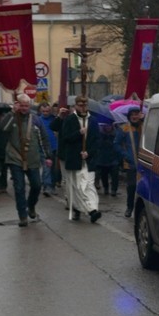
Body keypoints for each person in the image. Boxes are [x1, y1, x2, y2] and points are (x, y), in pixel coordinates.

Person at [1, 94, 53, 227]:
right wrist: (12, 113)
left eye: (26, 105)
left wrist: (48, 156)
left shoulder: (35, 119)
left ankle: (31, 205)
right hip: (15, 157)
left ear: (29, 106)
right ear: (17, 104)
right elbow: (4, 129)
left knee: (36, 185)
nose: (24, 108)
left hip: (32, 158)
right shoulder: (11, 117)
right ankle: (22, 216)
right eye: (22, 105)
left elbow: (44, 138)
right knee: (19, 188)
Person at [61, 95, 102, 223]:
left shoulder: (93, 120)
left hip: (89, 160)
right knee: (78, 186)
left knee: (89, 185)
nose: (83, 108)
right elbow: (65, 138)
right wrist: (79, 133)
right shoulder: (70, 120)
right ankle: (80, 209)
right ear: (75, 106)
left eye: (85, 105)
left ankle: (93, 210)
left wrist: (88, 153)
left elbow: (97, 140)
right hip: (75, 159)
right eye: (80, 105)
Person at [114, 107, 143, 218]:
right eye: (132, 115)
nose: (135, 117)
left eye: (137, 114)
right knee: (131, 186)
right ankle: (129, 207)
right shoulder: (124, 128)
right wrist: (125, 155)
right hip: (130, 163)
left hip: (144, 162)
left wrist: (143, 120)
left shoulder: (144, 126)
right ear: (129, 116)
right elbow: (116, 144)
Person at [37, 101, 59, 196]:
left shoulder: (54, 119)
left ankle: (52, 186)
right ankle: (47, 186)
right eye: (43, 111)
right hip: (43, 148)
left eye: (47, 111)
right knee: (47, 167)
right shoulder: (38, 120)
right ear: (40, 111)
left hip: (54, 147)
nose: (45, 113)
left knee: (54, 169)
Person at [96, 122, 120, 196]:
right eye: (106, 125)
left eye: (109, 125)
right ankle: (106, 187)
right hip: (103, 158)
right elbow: (97, 144)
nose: (108, 127)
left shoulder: (116, 134)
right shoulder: (100, 134)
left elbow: (118, 144)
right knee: (104, 175)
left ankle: (114, 190)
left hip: (114, 158)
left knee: (115, 175)